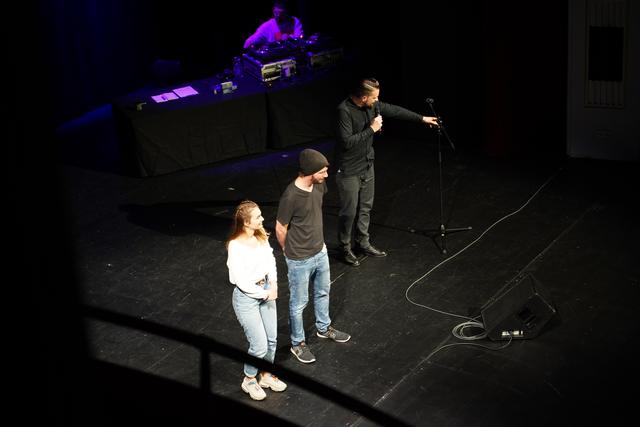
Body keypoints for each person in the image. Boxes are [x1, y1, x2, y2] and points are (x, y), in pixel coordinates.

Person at [335, 77, 440, 267]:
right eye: (374, 97)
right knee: (349, 212)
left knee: (365, 208)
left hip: (367, 164)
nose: (377, 101)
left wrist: (421, 119)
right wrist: (372, 129)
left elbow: (394, 110)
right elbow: (347, 142)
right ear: (364, 97)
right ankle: (345, 247)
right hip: (349, 169)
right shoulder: (344, 110)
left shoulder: (372, 105)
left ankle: (362, 242)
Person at [275, 149, 350, 364]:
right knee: (299, 303)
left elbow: (313, 211)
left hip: (320, 251)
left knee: (323, 292)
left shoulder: (318, 185)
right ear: (310, 172)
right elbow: (280, 227)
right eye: (322, 171)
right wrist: (287, 250)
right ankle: (297, 343)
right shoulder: (290, 196)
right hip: (299, 258)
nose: (326, 175)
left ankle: (323, 328)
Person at [226, 200, 287, 401]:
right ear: (246, 222)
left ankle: (266, 375)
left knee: (271, 339)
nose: (262, 219)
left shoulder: (261, 236)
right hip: (247, 297)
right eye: (258, 217)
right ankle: (249, 378)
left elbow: (270, 261)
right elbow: (240, 280)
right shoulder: (235, 246)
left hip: (266, 289)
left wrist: (274, 285)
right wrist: (264, 293)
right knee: (259, 345)